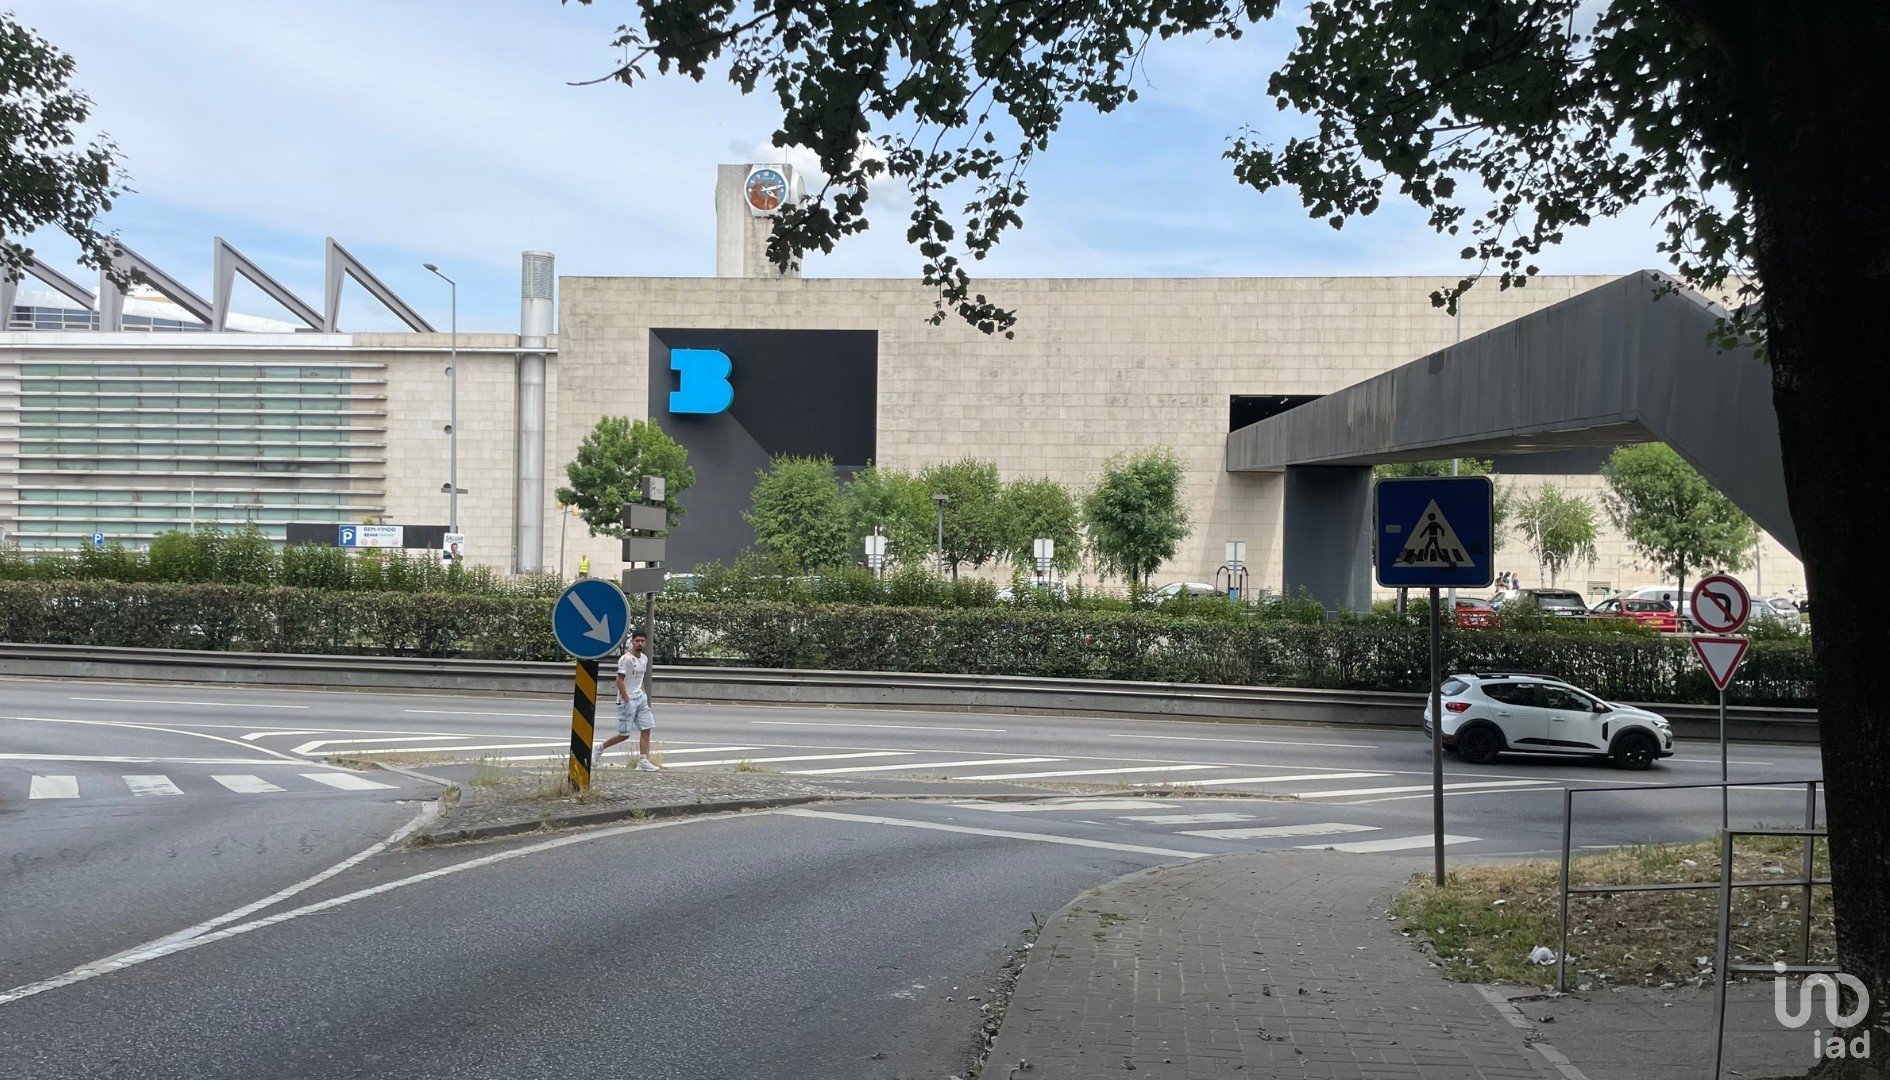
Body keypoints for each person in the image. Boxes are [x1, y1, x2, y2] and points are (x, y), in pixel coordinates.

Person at [597, 628, 659, 771]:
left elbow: (639, 678)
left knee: (646, 728)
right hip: (628, 699)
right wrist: (627, 699)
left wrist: (644, 694)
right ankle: (600, 748)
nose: (639, 643)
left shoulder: (644, 658)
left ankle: (643, 761)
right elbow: (619, 681)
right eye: (637, 640)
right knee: (624, 734)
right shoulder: (626, 659)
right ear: (632, 641)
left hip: (640, 698)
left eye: (642, 641)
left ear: (645, 642)